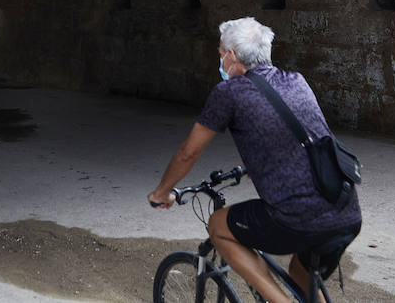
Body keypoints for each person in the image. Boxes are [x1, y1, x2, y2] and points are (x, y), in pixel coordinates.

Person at [148, 17, 361, 303]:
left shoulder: (229, 93)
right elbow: (301, 135)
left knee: (218, 226)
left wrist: (162, 192)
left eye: (220, 53)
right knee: (301, 271)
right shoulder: (296, 81)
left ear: (231, 56)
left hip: (298, 218)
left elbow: (189, 152)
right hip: (345, 211)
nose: (220, 60)